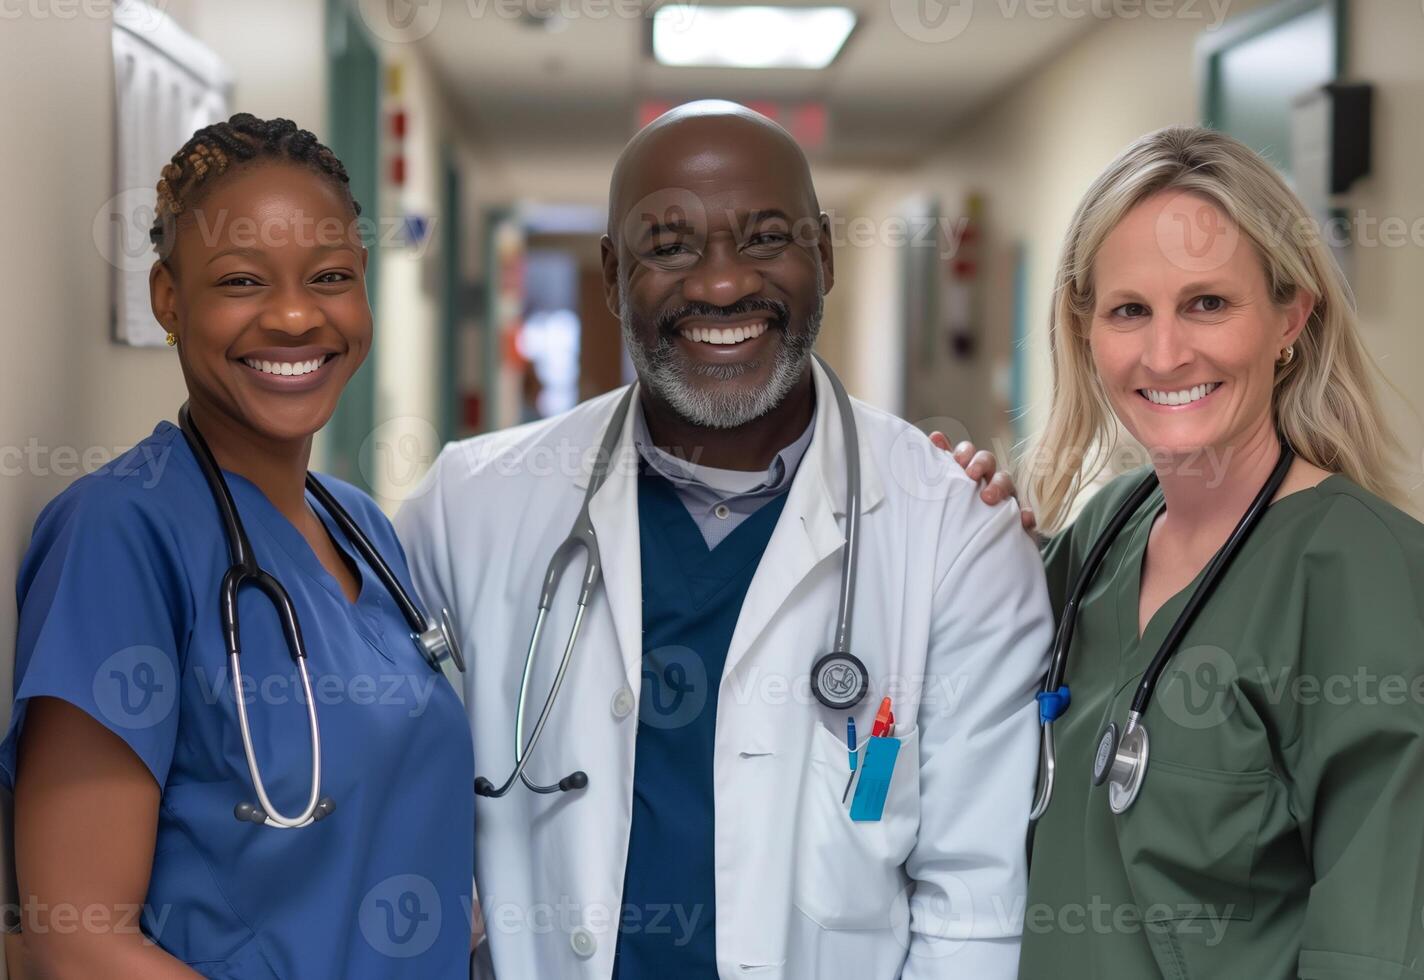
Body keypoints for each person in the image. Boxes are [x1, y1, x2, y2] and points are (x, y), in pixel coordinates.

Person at [395, 101, 1054, 979]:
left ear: (823, 254)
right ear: (610, 273)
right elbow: (365, 786)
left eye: (764, 238)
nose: (718, 285)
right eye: (668, 247)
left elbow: (973, 908)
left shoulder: (953, 536)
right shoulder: (469, 508)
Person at [938, 125, 1424, 979]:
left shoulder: (1380, 593)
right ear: (1086, 330)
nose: (1165, 353)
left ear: (1291, 315)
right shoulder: (1102, 538)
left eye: (1208, 304)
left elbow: (1395, 953)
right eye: (1129, 311)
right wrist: (961, 535)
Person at [2, 114, 474, 977]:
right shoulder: (120, 535)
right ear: (168, 300)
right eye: (242, 281)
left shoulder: (363, 529)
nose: (295, 316)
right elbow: (76, 942)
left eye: (330, 277)